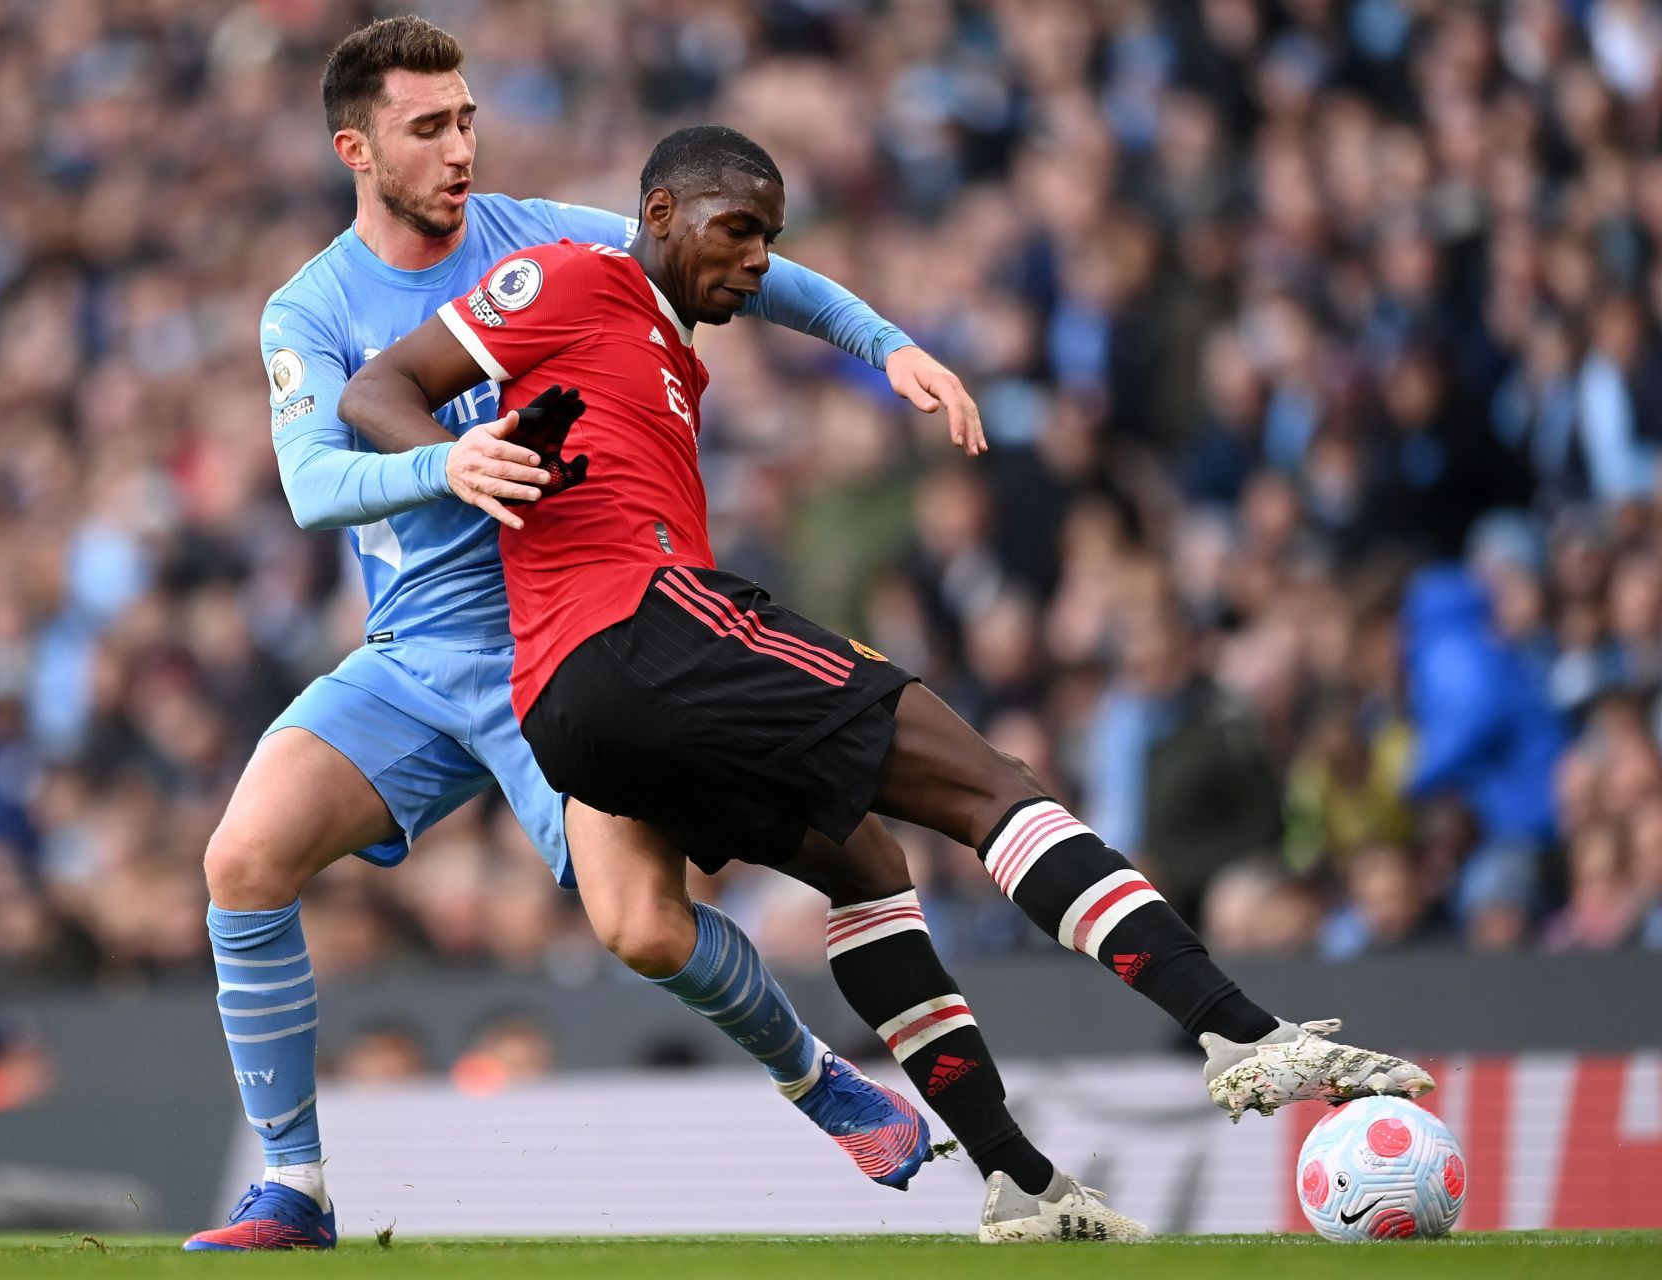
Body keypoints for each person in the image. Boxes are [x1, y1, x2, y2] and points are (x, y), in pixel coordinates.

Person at [346, 123, 1439, 1245]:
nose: (760, 258)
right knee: (987, 781)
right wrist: (449, 460)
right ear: (662, 214)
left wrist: (882, 344)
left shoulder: (670, 345)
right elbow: (378, 388)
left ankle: (1019, 1182)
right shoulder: (576, 277)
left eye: (771, 237)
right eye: (739, 229)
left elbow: (793, 301)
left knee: (868, 863)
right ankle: (1238, 1031)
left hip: (579, 710)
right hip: (640, 626)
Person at [190, 17, 1025, 1251]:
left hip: (577, 645)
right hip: (420, 653)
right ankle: (296, 1187)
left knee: (642, 928)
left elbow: (737, 262)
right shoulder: (309, 306)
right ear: (355, 147)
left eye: (467, 117)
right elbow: (313, 482)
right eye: (429, 128)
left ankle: (816, 1076)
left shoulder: (550, 242)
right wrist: (447, 465)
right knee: (239, 863)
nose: (462, 147)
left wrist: (885, 345)